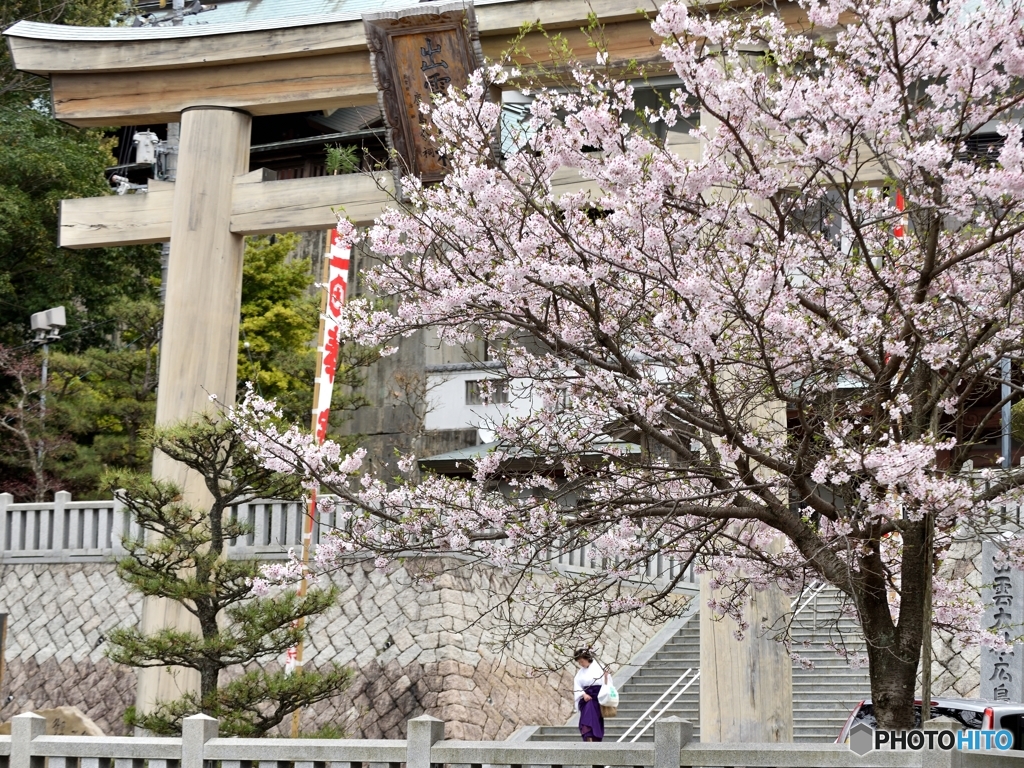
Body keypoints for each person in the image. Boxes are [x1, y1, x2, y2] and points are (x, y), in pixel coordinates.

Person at [572, 648, 607, 742]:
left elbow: (607, 683)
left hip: (597, 697)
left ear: (587, 658)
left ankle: (593, 738)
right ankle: (588, 736)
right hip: (586, 698)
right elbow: (577, 685)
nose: (581, 664)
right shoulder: (580, 673)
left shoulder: (600, 667)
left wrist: (606, 676)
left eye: (582, 661)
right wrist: (583, 694)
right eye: (579, 663)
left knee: (594, 718)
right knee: (587, 716)